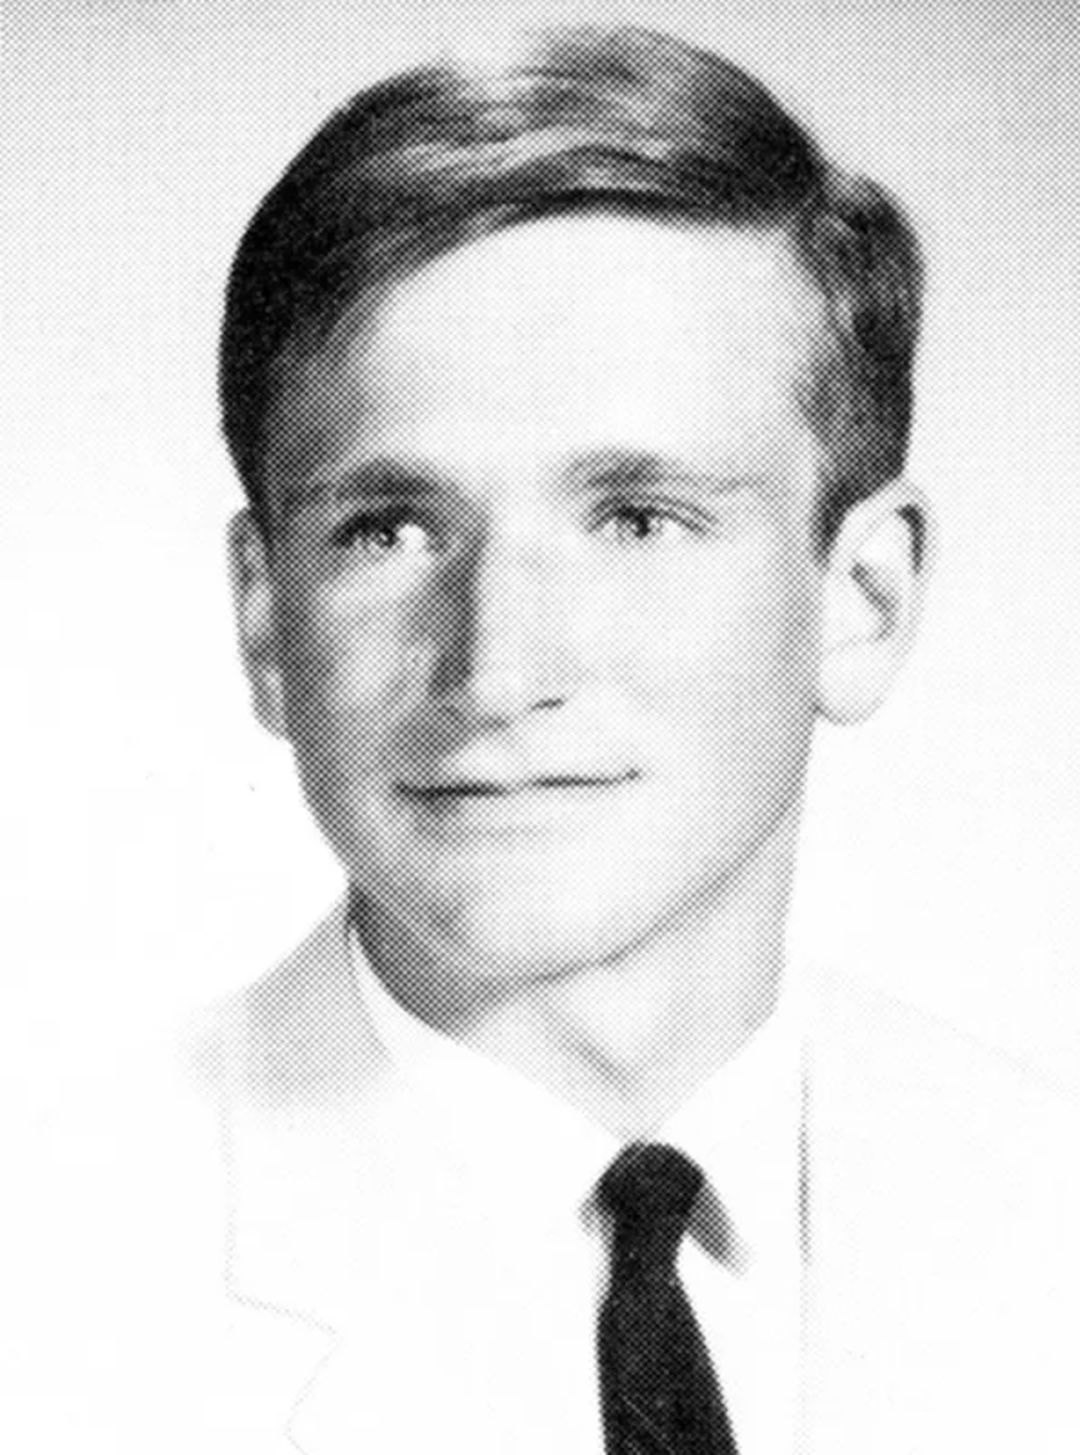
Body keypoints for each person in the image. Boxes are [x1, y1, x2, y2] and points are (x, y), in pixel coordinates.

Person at [192, 23, 1076, 1455]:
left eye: (640, 518)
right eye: (390, 527)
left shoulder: (1052, 1213)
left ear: (863, 598)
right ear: (263, 620)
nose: (501, 668)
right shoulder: (39, 1272)